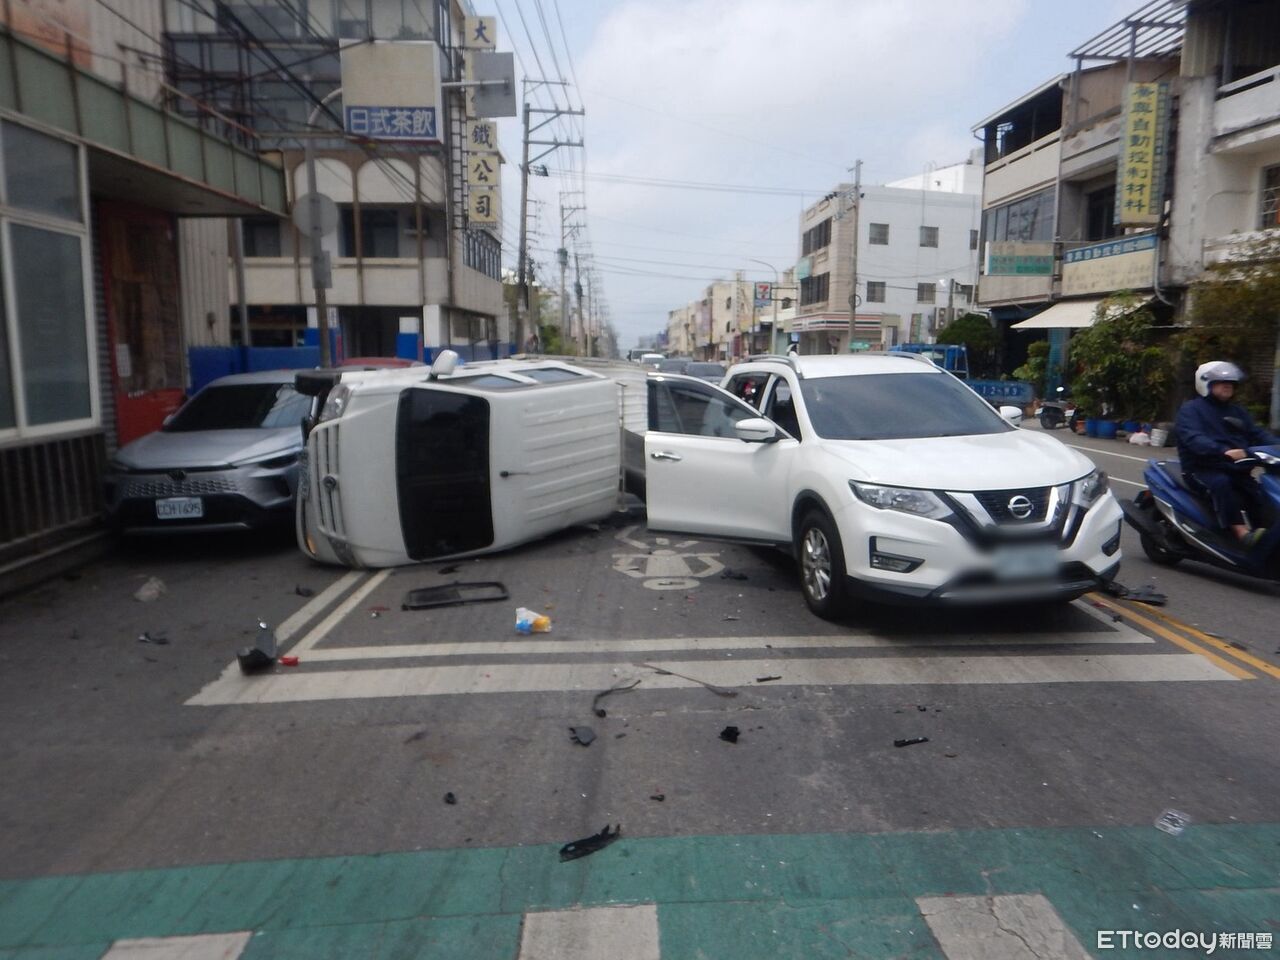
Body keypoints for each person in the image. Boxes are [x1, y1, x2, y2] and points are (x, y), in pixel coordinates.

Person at [1174, 361, 1279, 547]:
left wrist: (1276, 446)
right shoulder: (1191, 410)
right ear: (1205, 384)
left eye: (1231, 382)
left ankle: (1266, 537)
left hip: (1237, 469)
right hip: (1203, 469)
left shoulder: (1237, 411)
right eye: (1221, 382)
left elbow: (1256, 433)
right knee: (1222, 484)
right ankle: (1241, 533)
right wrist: (1222, 451)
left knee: (1257, 492)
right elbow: (1194, 438)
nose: (1227, 385)